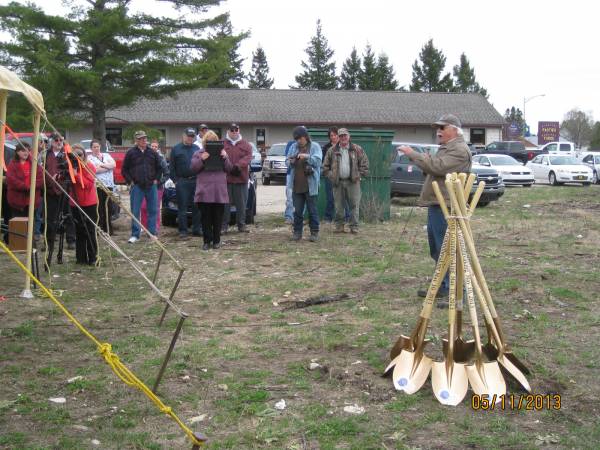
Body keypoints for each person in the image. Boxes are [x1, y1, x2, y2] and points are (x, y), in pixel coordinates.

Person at [397, 113, 471, 307]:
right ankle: (444, 286)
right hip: (438, 204)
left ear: (454, 130)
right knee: (437, 248)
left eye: (442, 127)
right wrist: (426, 162)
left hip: (448, 206)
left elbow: (437, 167)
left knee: (449, 250)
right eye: (437, 128)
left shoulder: (459, 150)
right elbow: (436, 169)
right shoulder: (447, 148)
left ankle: (457, 292)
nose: (438, 132)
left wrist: (413, 154)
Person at [190, 130, 232, 250]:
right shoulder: (199, 153)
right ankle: (206, 241)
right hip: (204, 191)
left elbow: (229, 168)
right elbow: (193, 168)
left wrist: (225, 158)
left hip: (219, 190)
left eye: (214, 141)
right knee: (205, 217)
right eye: (209, 142)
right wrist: (202, 159)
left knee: (218, 217)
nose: (212, 143)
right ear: (204, 142)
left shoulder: (222, 153)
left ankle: (216, 241)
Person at [322, 128, 369, 234]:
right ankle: (339, 226)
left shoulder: (357, 149)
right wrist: (332, 176)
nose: (343, 138)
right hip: (337, 183)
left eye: (345, 135)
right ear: (338, 137)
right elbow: (325, 167)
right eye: (341, 136)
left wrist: (358, 176)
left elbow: (365, 164)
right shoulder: (332, 150)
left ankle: (354, 227)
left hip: (353, 182)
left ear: (349, 136)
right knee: (338, 206)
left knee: (354, 205)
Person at [121, 130, 163, 243]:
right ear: (136, 141)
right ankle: (135, 234)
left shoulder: (153, 152)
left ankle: (152, 233)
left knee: (153, 210)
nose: (144, 140)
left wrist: (156, 179)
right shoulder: (131, 153)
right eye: (141, 139)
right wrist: (130, 181)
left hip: (151, 186)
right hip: (137, 186)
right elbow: (124, 169)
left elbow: (160, 167)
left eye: (144, 138)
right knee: (135, 211)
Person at [43, 132, 76, 265]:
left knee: (68, 216)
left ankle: (71, 240)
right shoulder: (44, 154)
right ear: (51, 141)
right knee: (50, 218)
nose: (58, 142)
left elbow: (74, 170)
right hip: (50, 191)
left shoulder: (68, 154)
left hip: (64, 190)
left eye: (61, 140)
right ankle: (48, 242)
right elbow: (40, 170)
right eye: (56, 140)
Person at [287, 126, 322, 242]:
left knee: (312, 210)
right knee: (297, 211)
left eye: (300, 138)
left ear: (306, 137)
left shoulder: (315, 146)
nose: (298, 141)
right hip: (296, 185)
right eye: (296, 139)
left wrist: (306, 157)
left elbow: (318, 161)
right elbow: (287, 162)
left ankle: (314, 232)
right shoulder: (293, 147)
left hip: (310, 185)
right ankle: (297, 232)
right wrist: (292, 161)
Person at [5, 143, 43, 245]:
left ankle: (30, 243)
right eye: (23, 150)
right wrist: (25, 186)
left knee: (31, 222)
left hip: (31, 200)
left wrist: (32, 186)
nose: (26, 152)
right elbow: (11, 179)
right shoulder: (12, 165)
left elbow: (40, 177)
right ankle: (18, 244)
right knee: (18, 222)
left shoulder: (34, 164)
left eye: (27, 150)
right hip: (17, 200)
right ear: (17, 152)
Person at [169, 128, 202, 238]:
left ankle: (197, 229)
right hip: (182, 181)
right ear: (183, 136)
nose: (190, 138)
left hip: (195, 180)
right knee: (182, 207)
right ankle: (183, 231)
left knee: (197, 206)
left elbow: (201, 165)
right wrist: (176, 180)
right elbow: (171, 167)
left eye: (192, 136)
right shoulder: (176, 149)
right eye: (188, 136)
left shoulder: (197, 148)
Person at [69, 145, 98, 265]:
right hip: (75, 203)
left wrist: (76, 175)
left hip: (89, 203)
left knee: (90, 231)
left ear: (84, 155)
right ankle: (80, 258)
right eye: (74, 155)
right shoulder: (70, 167)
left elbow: (88, 184)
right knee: (79, 232)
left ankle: (93, 258)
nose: (77, 157)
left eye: (80, 154)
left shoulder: (89, 166)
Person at [222, 123, 252, 233]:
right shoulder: (222, 143)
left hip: (241, 179)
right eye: (232, 130)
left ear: (239, 130)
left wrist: (238, 166)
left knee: (241, 204)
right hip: (226, 180)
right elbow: (220, 157)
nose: (234, 132)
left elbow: (248, 157)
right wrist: (229, 167)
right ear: (228, 131)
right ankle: (224, 226)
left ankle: (241, 225)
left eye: (236, 129)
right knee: (225, 204)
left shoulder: (246, 145)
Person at [140, 140, 169, 235]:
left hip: (157, 188)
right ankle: (144, 227)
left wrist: (159, 181)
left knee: (154, 208)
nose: (154, 148)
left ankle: (155, 228)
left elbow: (167, 174)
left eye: (156, 147)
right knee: (143, 207)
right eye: (152, 146)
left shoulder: (161, 159)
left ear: (158, 148)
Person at [88, 139, 116, 235]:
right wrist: (107, 167)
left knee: (108, 207)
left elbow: (114, 164)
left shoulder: (107, 155)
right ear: (91, 148)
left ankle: (108, 229)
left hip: (109, 185)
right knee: (99, 208)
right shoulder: (89, 158)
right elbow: (94, 170)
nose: (96, 148)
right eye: (94, 147)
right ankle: (100, 229)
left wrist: (102, 165)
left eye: (97, 146)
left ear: (100, 147)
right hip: (98, 186)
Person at [321, 126, 339, 223]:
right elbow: (324, 162)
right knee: (330, 198)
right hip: (330, 176)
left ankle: (345, 218)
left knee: (343, 198)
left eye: (335, 135)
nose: (333, 137)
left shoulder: (343, 146)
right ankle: (328, 218)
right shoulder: (326, 147)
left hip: (342, 176)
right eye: (331, 135)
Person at [283, 139, 295, 224]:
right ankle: (289, 216)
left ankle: (299, 217)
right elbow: (288, 159)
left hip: (302, 175)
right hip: (291, 173)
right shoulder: (291, 144)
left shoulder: (309, 144)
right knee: (290, 197)